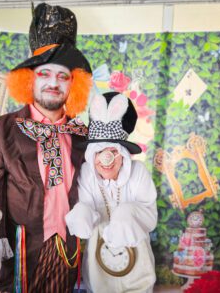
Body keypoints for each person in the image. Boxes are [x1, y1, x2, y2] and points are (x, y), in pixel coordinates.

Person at [0, 3, 92, 293]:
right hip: (21, 252)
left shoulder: (84, 134)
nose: (54, 83)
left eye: (63, 76)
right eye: (44, 74)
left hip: (69, 252)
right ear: (29, 79)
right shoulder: (1, 129)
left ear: (74, 85)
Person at [65, 92, 158, 293]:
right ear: (92, 155)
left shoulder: (138, 172)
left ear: (123, 155)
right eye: (99, 153)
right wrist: (83, 213)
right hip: (99, 264)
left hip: (137, 258)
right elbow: (86, 206)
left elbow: (149, 216)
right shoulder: (87, 174)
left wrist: (128, 213)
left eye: (113, 153)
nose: (105, 161)